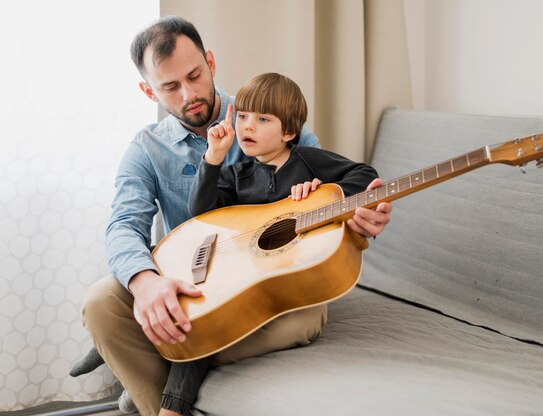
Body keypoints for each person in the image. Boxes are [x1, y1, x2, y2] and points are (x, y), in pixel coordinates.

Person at [80, 15, 392, 416]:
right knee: (100, 303)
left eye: (195, 75)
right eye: (170, 87)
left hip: (277, 279)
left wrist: (358, 216)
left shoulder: (268, 112)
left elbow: (325, 187)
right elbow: (124, 225)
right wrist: (145, 283)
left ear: (211, 62)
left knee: (299, 321)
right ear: (148, 91)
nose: (189, 93)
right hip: (194, 282)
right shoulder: (145, 149)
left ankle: (149, 380)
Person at [159, 72, 379, 416]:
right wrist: (213, 157)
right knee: (199, 317)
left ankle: (166, 391)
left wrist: (322, 197)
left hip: (295, 287)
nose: (248, 126)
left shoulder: (308, 160)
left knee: (205, 332)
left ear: (288, 132)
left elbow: (364, 175)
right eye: (243, 116)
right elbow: (201, 213)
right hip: (242, 278)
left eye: (263, 119)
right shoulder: (236, 174)